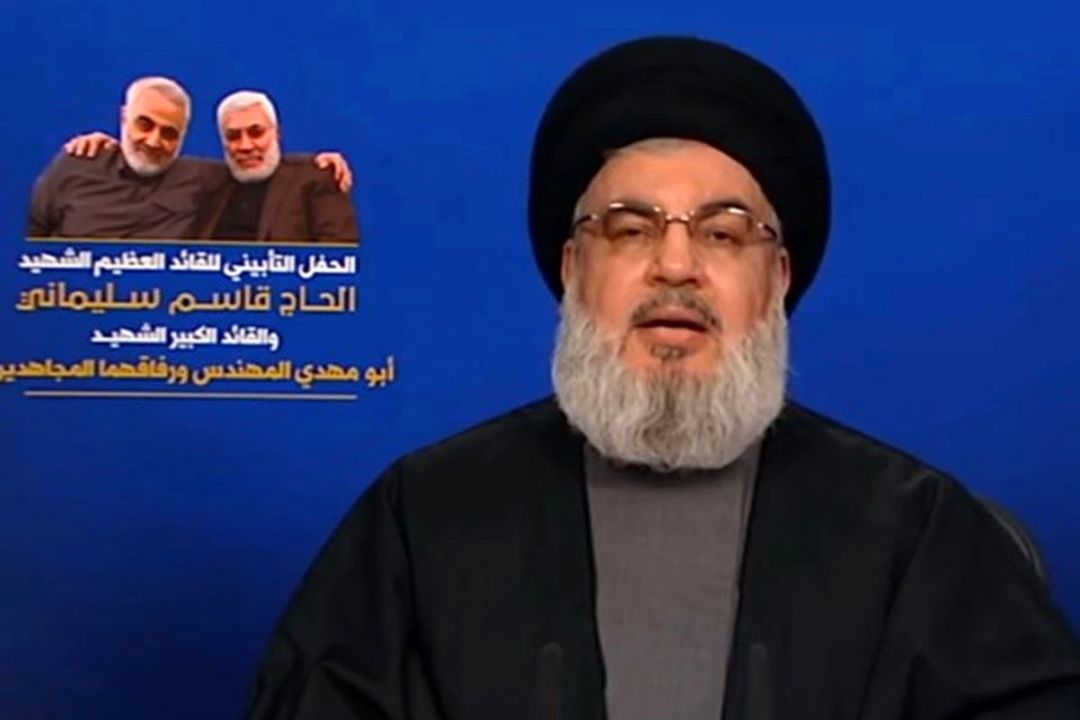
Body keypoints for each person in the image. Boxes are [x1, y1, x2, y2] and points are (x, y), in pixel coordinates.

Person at [245, 37, 1080, 719]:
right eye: (629, 229)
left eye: (723, 233)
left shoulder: (918, 532)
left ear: (777, 279)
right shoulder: (423, 519)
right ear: (573, 270)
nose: (675, 265)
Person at [30, 76, 354, 240]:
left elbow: (258, 164)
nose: (154, 141)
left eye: (169, 132)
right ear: (123, 117)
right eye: (144, 124)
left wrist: (319, 163)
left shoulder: (199, 178)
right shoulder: (76, 164)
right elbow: (29, 239)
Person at [195, 90, 359, 242]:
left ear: (277, 134)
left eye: (256, 133)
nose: (245, 146)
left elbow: (339, 254)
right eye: (233, 136)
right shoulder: (207, 183)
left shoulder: (314, 178)